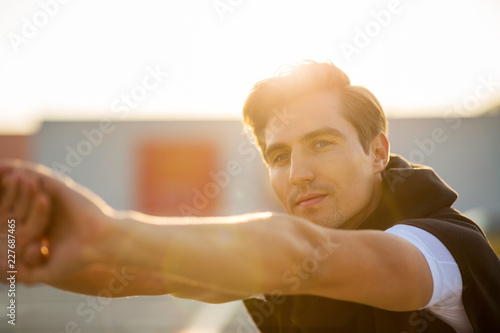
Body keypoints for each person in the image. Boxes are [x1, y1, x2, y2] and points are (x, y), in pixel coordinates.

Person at [1, 61, 499, 332]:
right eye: (279, 156)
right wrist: (35, 256)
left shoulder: (442, 249)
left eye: (321, 144)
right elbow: (134, 274)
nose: (298, 173)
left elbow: (304, 256)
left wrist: (104, 228)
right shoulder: (285, 269)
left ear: (377, 152)